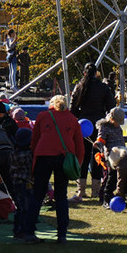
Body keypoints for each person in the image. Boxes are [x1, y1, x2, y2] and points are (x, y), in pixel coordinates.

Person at [28, 95, 84, 243]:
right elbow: (80, 146)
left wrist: (34, 158)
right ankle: (62, 234)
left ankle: (29, 231)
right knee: (61, 196)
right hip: (63, 158)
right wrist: (76, 163)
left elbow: (35, 140)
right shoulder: (73, 119)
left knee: (37, 195)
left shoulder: (43, 116)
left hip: (44, 156)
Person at [70, 62, 116, 203]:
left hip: (83, 126)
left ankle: (80, 190)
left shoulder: (80, 87)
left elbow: (72, 108)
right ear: (97, 73)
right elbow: (111, 106)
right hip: (99, 125)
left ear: (84, 72)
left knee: (82, 156)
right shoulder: (103, 87)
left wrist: (80, 117)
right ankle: (96, 190)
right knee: (97, 156)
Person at [94, 107, 127, 207]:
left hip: (121, 155)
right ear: (111, 119)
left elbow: (119, 138)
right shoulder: (104, 127)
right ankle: (105, 199)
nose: (119, 124)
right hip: (112, 157)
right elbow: (101, 139)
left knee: (122, 177)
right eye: (118, 122)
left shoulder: (117, 127)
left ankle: (120, 198)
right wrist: (98, 144)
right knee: (110, 178)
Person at [10, 128, 34, 242]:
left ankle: (17, 230)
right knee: (25, 208)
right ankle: (22, 231)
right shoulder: (29, 154)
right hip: (25, 183)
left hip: (15, 183)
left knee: (19, 207)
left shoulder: (13, 153)